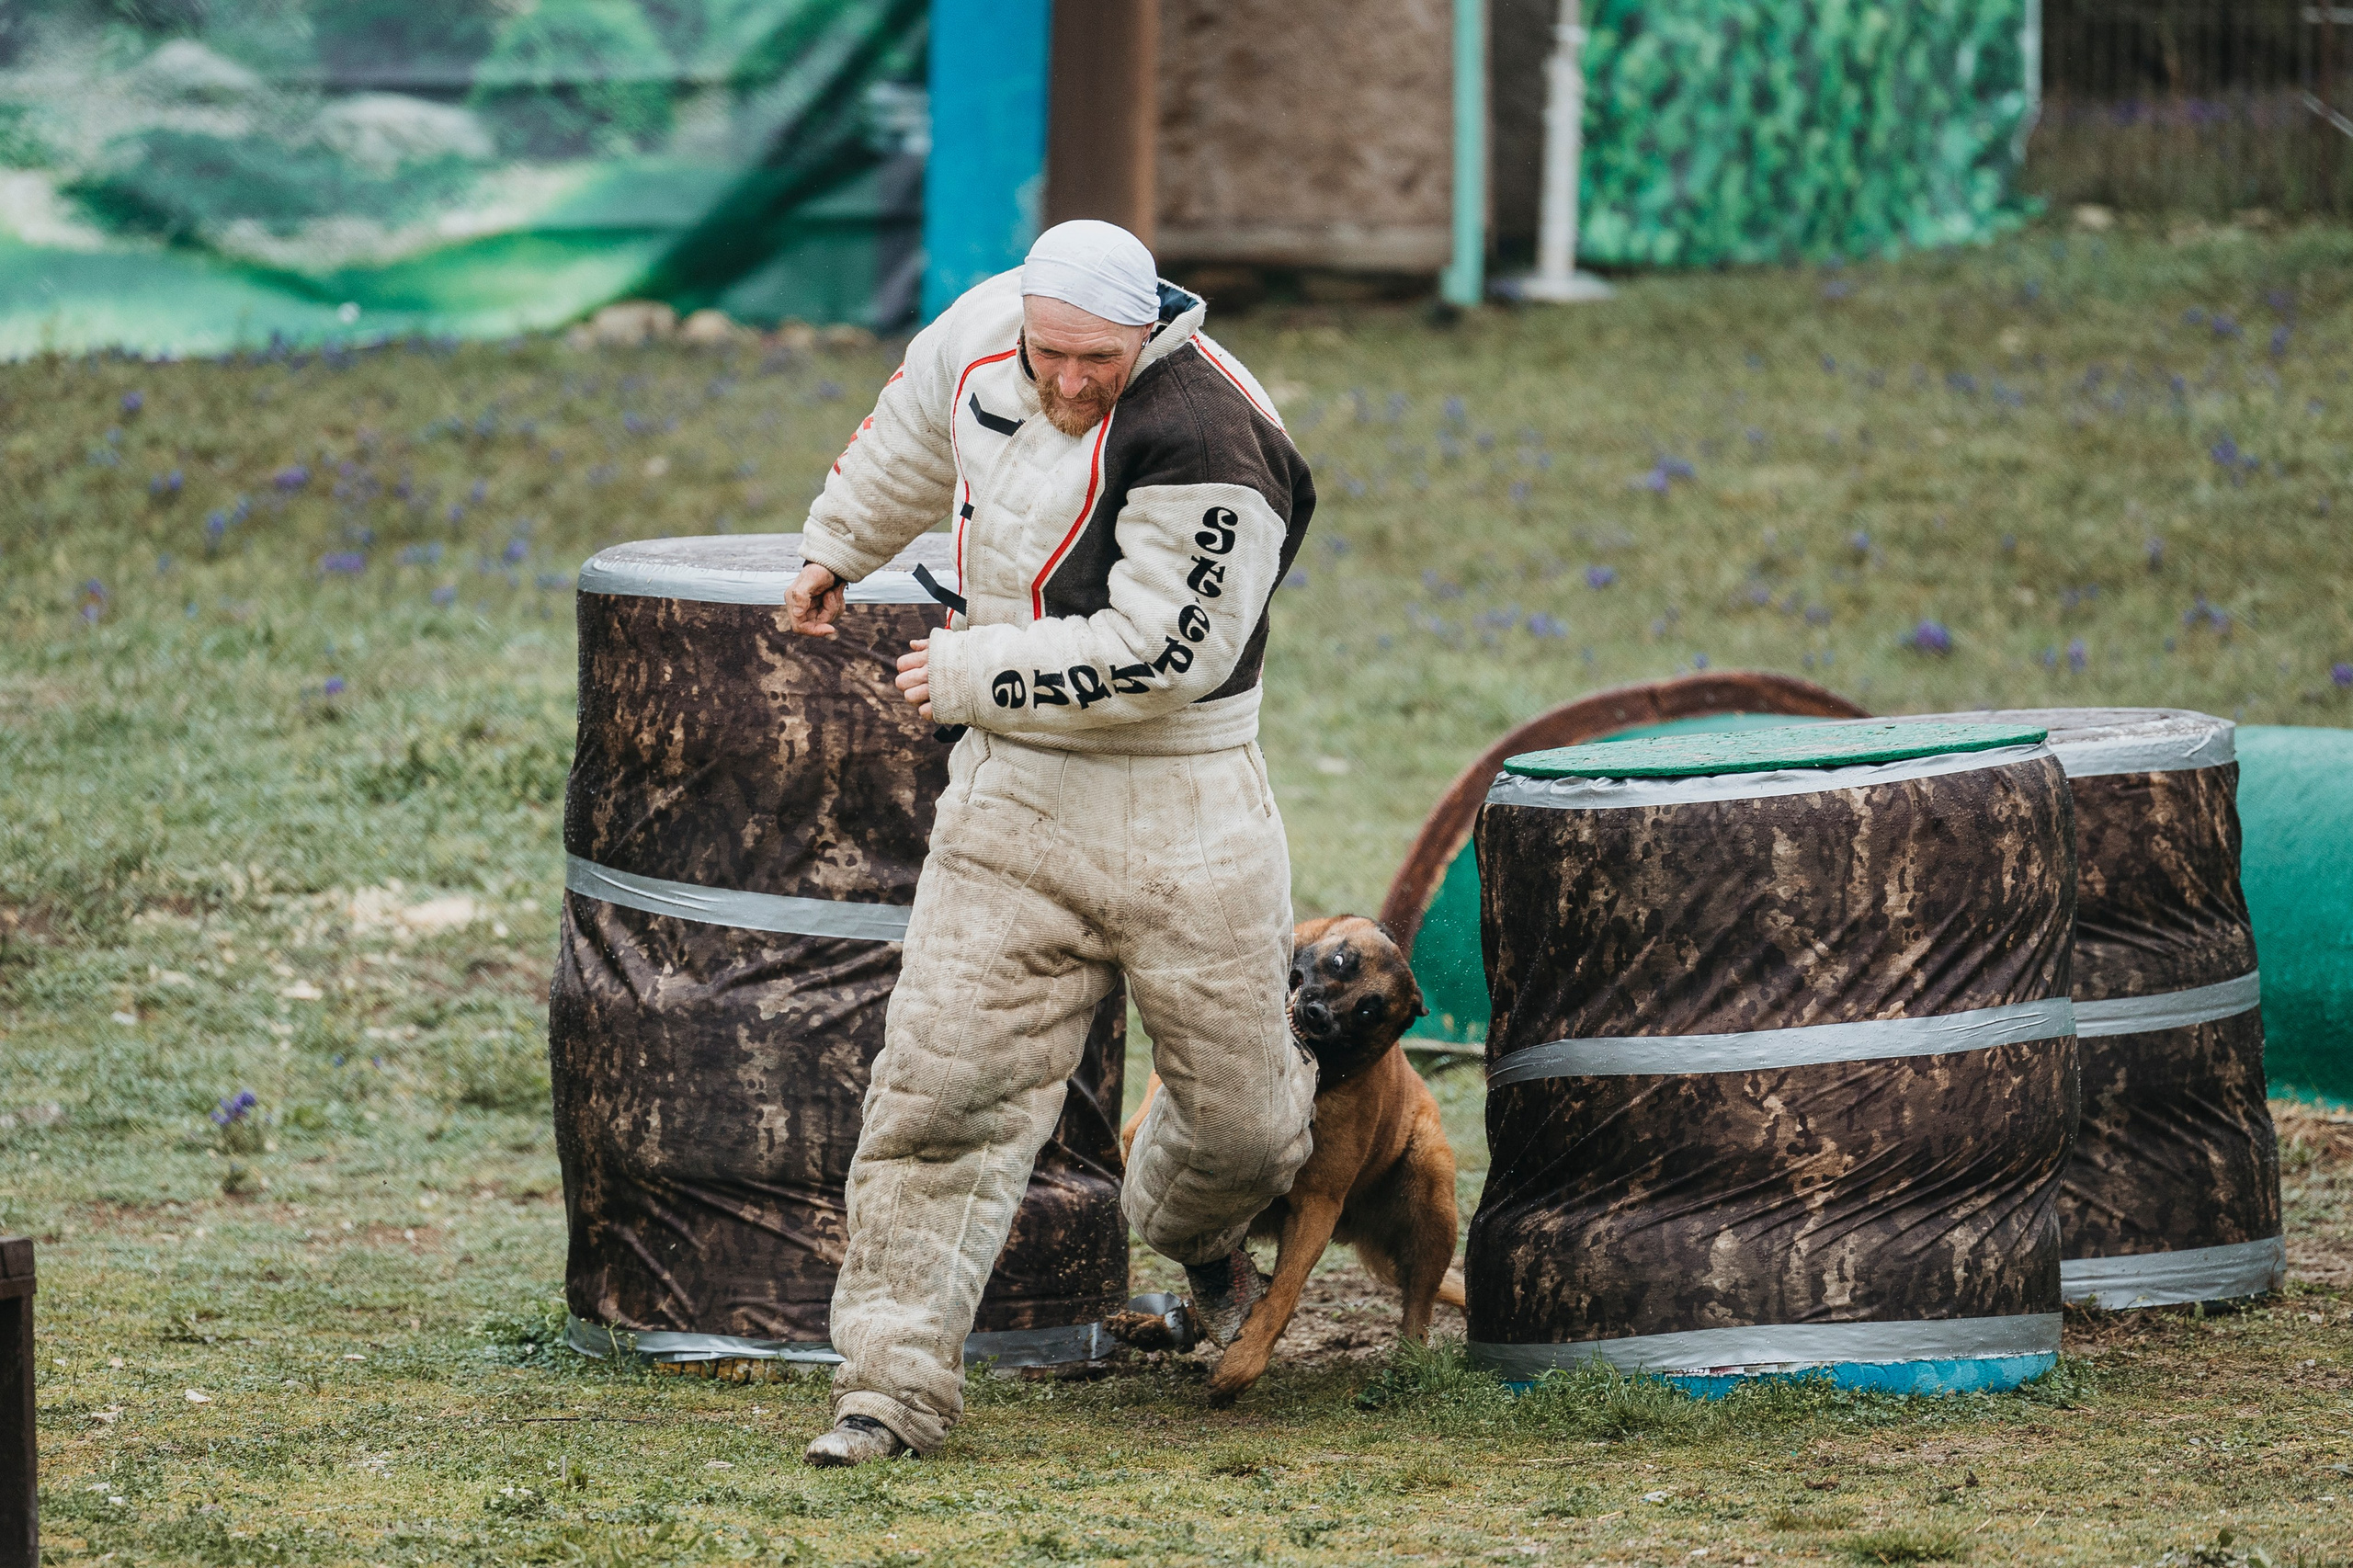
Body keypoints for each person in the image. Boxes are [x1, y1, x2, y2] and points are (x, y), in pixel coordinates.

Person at [783, 219, 1319, 1465]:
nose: (1070, 381)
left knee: (1244, 1128)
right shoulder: (979, 341)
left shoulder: (1212, 434)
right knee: (938, 1093)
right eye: (1051, 353)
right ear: (1021, 320)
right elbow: (913, 436)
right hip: (1014, 801)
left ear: (1151, 330)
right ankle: (886, 1389)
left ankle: (1181, 1222)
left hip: (1186, 807)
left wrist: (970, 667)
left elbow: (1164, 657)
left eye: (1099, 359)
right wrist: (834, 549)